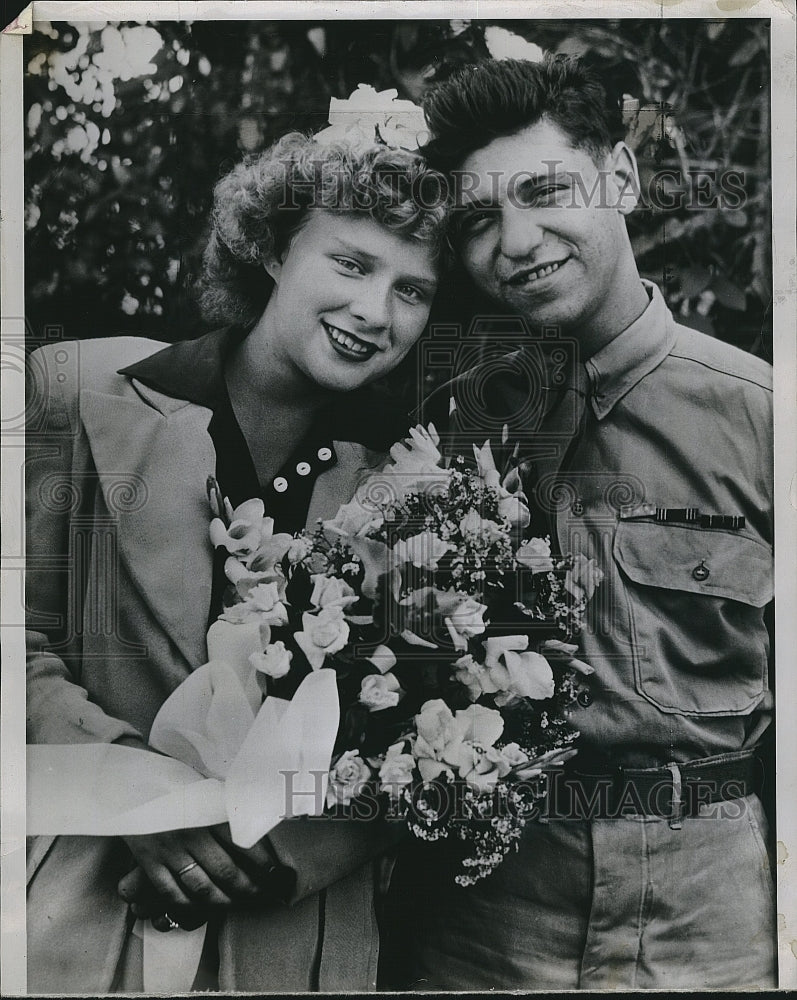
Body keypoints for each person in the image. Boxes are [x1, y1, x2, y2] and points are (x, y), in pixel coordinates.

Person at [25, 121, 450, 992]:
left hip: (293, 934)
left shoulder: (419, 491)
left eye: (413, 291)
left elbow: (430, 723)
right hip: (76, 900)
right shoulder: (71, 391)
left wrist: (279, 852)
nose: (374, 314)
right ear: (272, 249)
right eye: (350, 264)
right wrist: (125, 792)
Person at [379, 55, 775, 991]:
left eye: (545, 190)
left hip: (706, 904)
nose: (516, 241)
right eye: (478, 219)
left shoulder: (764, 418)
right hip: (485, 903)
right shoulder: (445, 420)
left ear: (624, 179)